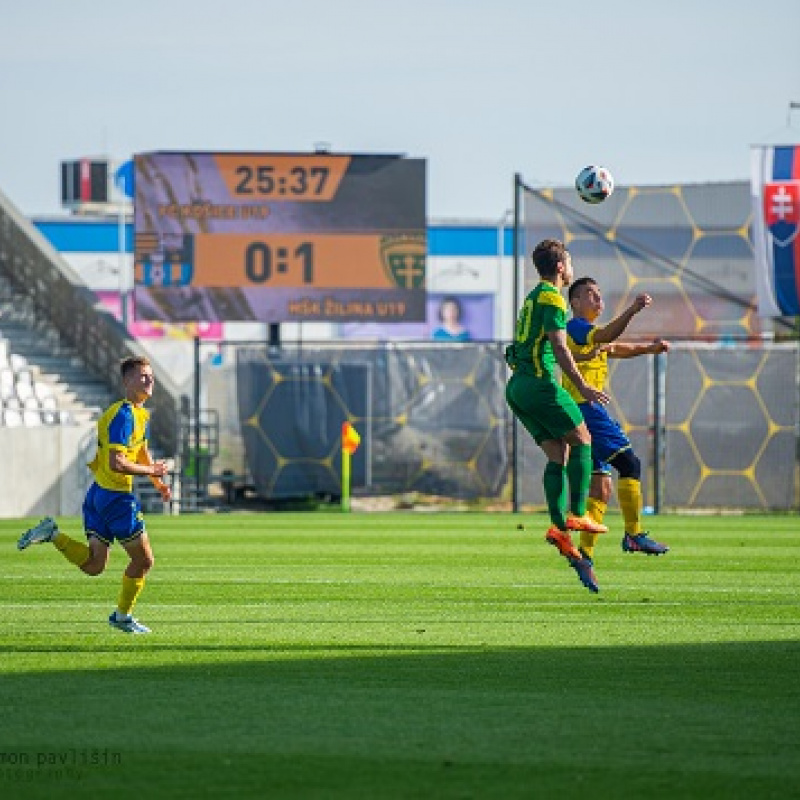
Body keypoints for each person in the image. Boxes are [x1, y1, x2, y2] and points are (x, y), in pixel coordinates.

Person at [17, 356, 172, 634]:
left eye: (151, 376)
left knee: (93, 565)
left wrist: (157, 481)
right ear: (126, 381)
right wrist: (151, 469)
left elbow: (140, 452)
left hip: (98, 494)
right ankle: (122, 617)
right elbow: (117, 462)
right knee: (144, 561)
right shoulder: (124, 415)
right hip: (116, 499)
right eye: (142, 376)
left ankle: (53, 534)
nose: (149, 381)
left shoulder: (139, 415)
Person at [505, 239, 610, 593]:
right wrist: (582, 384)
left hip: (518, 386)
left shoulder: (533, 297)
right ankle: (577, 512)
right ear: (562, 266)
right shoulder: (551, 297)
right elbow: (559, 347)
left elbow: (532, 345)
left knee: (557, 454)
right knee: (582, 440)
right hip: (539, 385)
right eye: (570, 260)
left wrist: (584, 357)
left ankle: (559, 531)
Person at [564, 276, 670, 566]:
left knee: (601, 488)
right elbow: (609, 336)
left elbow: (618, 348)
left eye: (599, 294)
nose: (598, 299)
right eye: (590, 294)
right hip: (586, 409)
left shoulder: (590, 336)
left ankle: (583, 555)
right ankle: (634, 534)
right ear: (575, 302)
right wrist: (633, 310)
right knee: (630, 464)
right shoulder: (575, 327)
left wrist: (649, 349)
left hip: (579, 412)